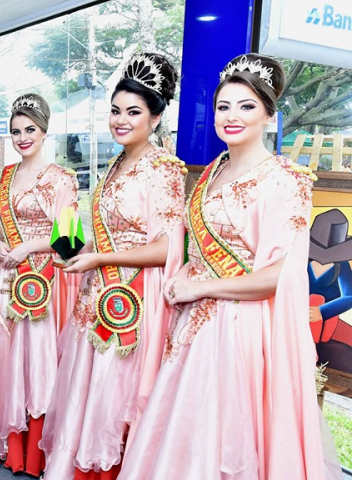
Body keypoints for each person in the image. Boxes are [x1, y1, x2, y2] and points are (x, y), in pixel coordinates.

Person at [117, 54, 342, 480]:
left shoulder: (285, 180)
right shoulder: (212, 172)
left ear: (270, 116)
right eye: (224, 106)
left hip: (239, 331)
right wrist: (184, 274)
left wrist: (200, 288)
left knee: (225, 437)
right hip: (191, 329)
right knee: (182, 433)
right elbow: (196, 249)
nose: (232, 116)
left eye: (246, 106)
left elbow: (279, 275)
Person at [40, 53, 185, 480]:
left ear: (155, 118)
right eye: (116, 111)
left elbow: (165, 249)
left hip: (134, 296)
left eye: (134, 112)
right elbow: (111, 233)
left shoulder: (164, 170)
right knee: (88, 388)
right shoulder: (116, 165)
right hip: (98, 290)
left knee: (119, 392)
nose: (121, 120)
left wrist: (102, 258)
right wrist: (77, 247)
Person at [0, 93, 81, 476]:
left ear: (43, 131)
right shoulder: (6, 175)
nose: (23, 137)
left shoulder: (61, 179)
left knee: (34, 357)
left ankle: (32, 445)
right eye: (16, 131)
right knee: (0, 354)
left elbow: (65, 234)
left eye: (30, 130)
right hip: (6, 274)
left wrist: (26, 247)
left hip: (40, 277)